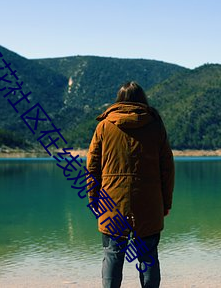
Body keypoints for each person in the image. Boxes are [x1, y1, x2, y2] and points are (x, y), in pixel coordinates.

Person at [86, 81, 175, 288]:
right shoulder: (155, 125)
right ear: (143, 99)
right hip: (150, 203)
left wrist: (94, 200)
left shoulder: (104, 126)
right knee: (148, 257)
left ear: (118, 100)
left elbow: (92, 168)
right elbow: (167, 168)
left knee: (112, 254)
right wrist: (166, 203)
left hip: (111, 201)